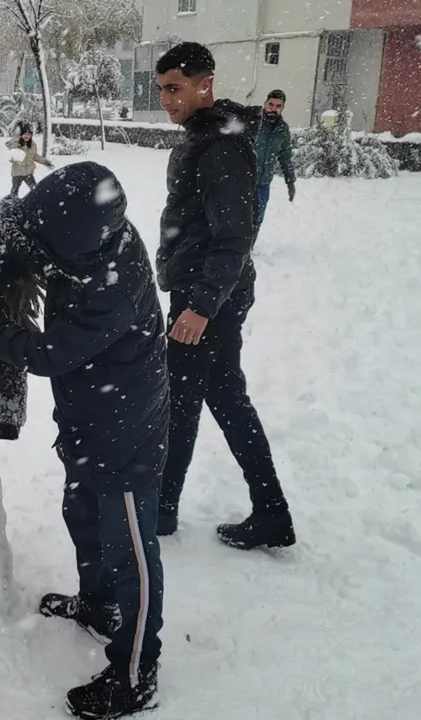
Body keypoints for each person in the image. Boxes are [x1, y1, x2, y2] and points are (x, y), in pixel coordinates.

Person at [0, 162, 167, 719]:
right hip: (88, 418)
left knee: (130, 549)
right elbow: (25, 250)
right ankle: (98, 606)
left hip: (125, 432)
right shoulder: (77, 234)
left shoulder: (113, 286)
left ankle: (136, 672)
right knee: (81, 512)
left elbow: (49, 354)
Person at [152, 41, 296, 549]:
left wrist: (200, 306)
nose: (167, 99)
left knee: (182, 400)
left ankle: (162, 509)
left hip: (208, 297)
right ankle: (272, 511)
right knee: (226, 399)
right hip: (207, 293)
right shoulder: (207, 137)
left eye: (176, 88)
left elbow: (235, 234)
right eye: (162, 89)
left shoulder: (220, 146)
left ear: (204, 84)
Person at [253, 89, 297, 227]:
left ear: (283, 108)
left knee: (257, 220)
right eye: (271, 104)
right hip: (245, 181)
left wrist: (290, 182)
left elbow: (285, 157)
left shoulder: (282, 129)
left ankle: (249, 249)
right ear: (265, 103)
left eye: (278, 106)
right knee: (239, 220)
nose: (273, 109)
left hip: (264, 184)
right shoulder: (253, 122)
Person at [5, 122, 53, 198]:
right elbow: (12, 154)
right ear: (21, 134)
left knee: (34, 189)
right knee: (15, 190)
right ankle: (12, 204)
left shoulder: (32, 144)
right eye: (25, 134)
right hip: (18, 172)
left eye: (29, 134)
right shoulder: (16, 143)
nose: (27, 136)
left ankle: (37, 202)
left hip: (28, 172)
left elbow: (35, 156)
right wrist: (13, 158)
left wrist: (45, 162)